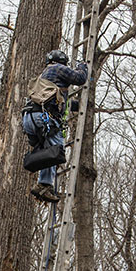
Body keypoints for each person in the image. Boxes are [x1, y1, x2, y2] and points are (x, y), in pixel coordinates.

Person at [22, 50, 88, 203]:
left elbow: (59, 103)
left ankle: (44, 185)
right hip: (43, 118)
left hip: (30, 118)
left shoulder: (44, 78)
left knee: (48, 152)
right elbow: (80, 78)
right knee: (57, 150)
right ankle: (44, 185)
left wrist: (79, 105)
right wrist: (82, 65)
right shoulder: (57, 68)